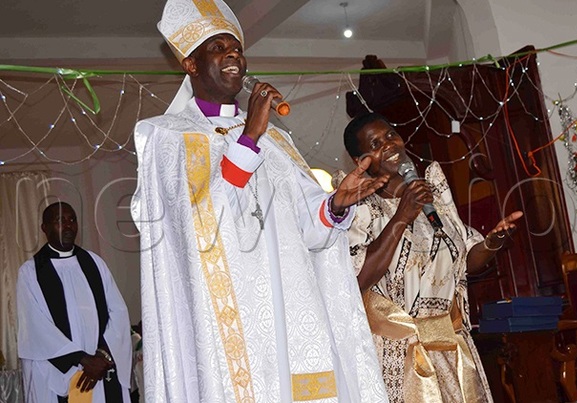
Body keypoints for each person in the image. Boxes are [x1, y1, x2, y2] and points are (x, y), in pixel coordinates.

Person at [130, 0, 389, 401]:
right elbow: (200, 225)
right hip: (228, 323)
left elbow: (310, 229)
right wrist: (248, 137)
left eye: (237, 48)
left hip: (290, 313)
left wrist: (336, 204)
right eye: (218, 47)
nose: (233, 54)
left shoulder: (276, 141)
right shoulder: (166, 137)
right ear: (190, 64)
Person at [341, 112, 524, 403]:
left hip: (449, 344)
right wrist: (402, 215)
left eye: (390, 135)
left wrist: (492, 243)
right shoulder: (360, 209)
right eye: (375, 144)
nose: (388, 144)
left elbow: (465, 261)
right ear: (359, 161)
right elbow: (359, 277)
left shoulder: (433, 197)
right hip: (398, 353)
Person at [16, 202, 132, 402]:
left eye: (72, 219)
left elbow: (118, 312)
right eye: (60, 220)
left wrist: (102, 356)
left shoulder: (95, 263)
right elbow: (35, 327)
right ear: (44, 228)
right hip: (57, 373)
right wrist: (83, 360)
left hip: (100, 368)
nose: (68, 225)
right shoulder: (31, 272)